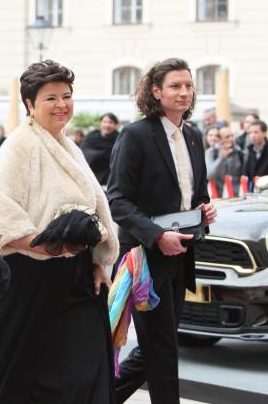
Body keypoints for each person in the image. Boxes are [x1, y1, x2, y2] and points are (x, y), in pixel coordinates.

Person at [0, 60, 119, 404]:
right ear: (30, 104)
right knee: (35, 376)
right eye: (51, 98)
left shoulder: (66, 145)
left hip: (75, 277)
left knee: (86, 368)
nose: (62, 105)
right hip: (32, 279)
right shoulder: (18, 146)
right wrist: (45, 246)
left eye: (67, 96)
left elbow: (95, 206)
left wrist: (98, 263)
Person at [107, 58, 216, 404]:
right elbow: (118, 201)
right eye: (175, 86)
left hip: (181, 255)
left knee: (157, 347)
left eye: (188, 85)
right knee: (164, 350)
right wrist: (156, 235)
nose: (184, 92)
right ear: (156, 92)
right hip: (145, 258)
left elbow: (193, 195)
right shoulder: (136, 135)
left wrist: (205, 209)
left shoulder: (194, 136)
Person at [81, 112, 120, 186]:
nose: (107, 125)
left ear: (116, 125)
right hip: (91, 178)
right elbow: (83, 153)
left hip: (111, 181)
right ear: (100, 123)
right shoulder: (91, 137)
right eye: (105, 122)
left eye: (110, 122)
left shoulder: (119, 139)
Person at [205, 126, 244, 197]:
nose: (231, 139)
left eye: (232, 135)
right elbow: (210, 175)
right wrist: (221, 157)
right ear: (219, 140)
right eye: (227, 137)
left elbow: (243, 176)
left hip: (236, 197)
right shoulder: (211, 152)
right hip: (218, 197)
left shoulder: (239, 152)